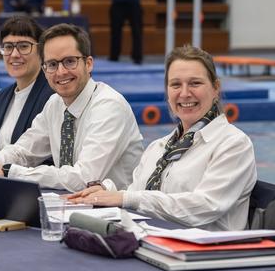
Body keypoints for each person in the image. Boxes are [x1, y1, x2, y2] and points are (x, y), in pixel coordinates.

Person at [70, 45, 257, 231]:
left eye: (195, 83)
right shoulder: (158, 148)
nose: (184, 93)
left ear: (215, 88)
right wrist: (106, 193)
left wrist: (126, 198)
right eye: (176, 84)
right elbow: (137, 196)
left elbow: (205, 206)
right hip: (152, 242)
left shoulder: (234, 144)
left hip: (209, 253)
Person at [0, 23, 144, 192]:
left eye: (70, 61)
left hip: (121, 215)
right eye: (52, 64)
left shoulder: (109, 106)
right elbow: (24, 151)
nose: (61, 71)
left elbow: (84, 178)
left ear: (88, 64)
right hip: (72, 207)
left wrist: (7, 170)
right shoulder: (55, 103)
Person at [0, 15, 54, 152]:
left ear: (41, 50)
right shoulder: (1, 98)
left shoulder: (53, 96)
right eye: (8, 47)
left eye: (24, 46)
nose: (14, 54)